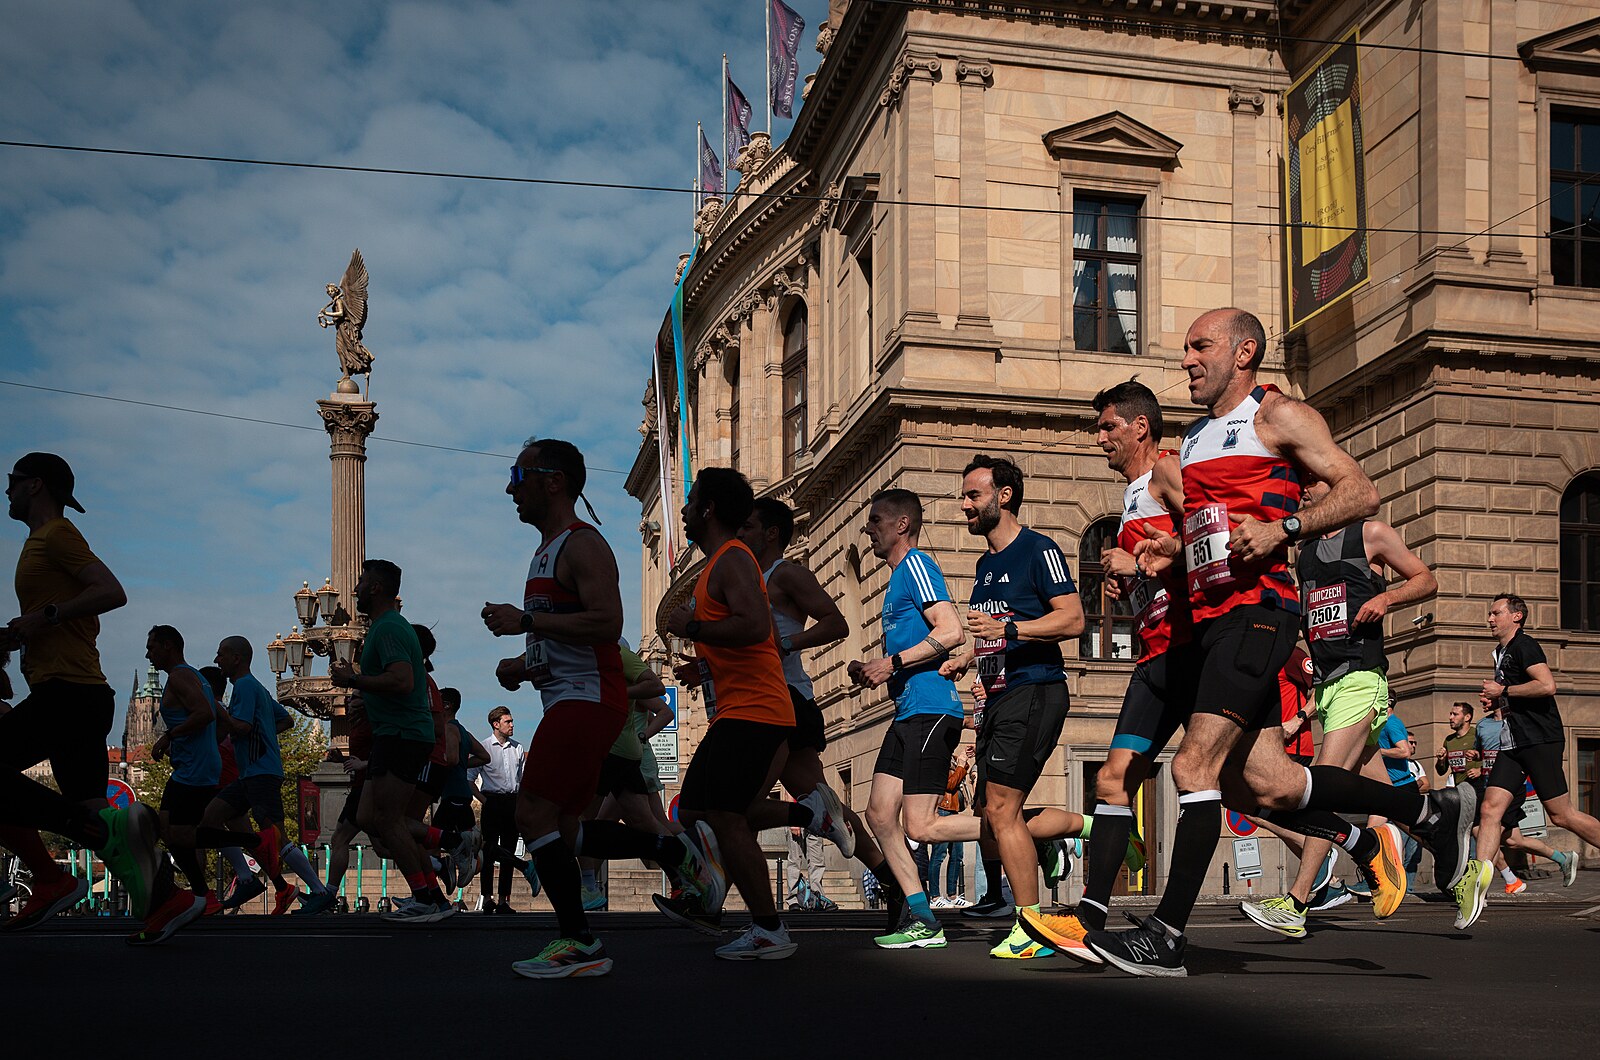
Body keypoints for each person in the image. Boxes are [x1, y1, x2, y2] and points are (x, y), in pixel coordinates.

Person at [1089, 310, 1470, 976]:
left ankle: (1167, 937)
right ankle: (1428, 813)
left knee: (1192, 769)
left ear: (1245, 352)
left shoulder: (1279, 416)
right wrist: (1170, 553)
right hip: (1211, 620)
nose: (1185, 359)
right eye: (1183, 348)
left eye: (1199, 346)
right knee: (1267, 781)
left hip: (1259, 615)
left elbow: (1360, 490)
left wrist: (1285, 527)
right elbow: (1214, 533)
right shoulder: (1198, 436)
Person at [483, 438, 714, 977]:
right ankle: (677, 854)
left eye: (519, 476)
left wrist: (528, 623)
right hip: (571, 696)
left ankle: (580, 942)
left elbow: (607, 624)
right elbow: (571, 634)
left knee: (532, 814)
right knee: (562, 827)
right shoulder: (548, 549)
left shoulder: (583, 545)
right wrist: (526, 662)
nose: (511, 489)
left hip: (588, 701)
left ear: (553, 480)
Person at [0, 452, 191, 941]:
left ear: (35, 486)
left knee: (89, 822)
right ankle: (168, 901)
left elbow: (111, 591)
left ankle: (51, 877)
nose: (6, 490)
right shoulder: (38, 542)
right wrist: (20, 632)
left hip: (65, 692)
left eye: (13, 481)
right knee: (93, 807)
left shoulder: (55, 535)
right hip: (80, 694)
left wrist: (44, 618)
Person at [1022, 380, 1179, 961]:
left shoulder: (1169, 470)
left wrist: (1138, 558)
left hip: (1191, 652)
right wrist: (1131, 577)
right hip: (1154, 654)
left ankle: (1378, 831)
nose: (1099, 438)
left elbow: (1214, 535)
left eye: (1109, 426)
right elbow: (1160, 565)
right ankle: (1089, 917)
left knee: (1257, 787)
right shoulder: (1135, 496)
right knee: (1113, 782)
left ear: (1140, 427)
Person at [936, 456, 1085, 960]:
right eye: (964, 496)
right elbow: (994, 636)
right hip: (997, 694)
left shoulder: (1037, 550)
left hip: (1036, 689)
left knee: (1001, 810)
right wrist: (965, 659)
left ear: (1004, 496)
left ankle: (1032, 925)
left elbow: (1072, 620)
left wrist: (1011, 630)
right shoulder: (984, 565)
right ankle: (1082, 828)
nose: (964, 505)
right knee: (994, 812)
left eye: (973, 495)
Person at [661, 466, 802, 959]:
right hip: (739, 712)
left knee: (722, 812)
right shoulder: (718, 564)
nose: (682, 510)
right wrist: (702, 667)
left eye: (690, 500)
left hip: (756, 711)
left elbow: (754, 625)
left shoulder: (733, 558)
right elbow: (737, 637)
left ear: (708, 509)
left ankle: (767, 926)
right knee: (694, 809)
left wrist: (696, 627)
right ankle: (718, 888)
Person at [735, 498, 884, 907]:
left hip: (785, 700)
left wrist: (785, 642)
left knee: (734, 810)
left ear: (771, 533)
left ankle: (719, 906)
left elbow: (837, 623)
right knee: (826, 806)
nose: (740, 533)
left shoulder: (788, 575)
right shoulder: (748, 577)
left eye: (748, 526)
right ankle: (895, 884)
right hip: (764, 700)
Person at [849, 487, 968, 951]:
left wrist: (891, 664)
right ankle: (922, 918)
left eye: (876, 521)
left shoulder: (916, 565)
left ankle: (1020, 831)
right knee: (879, 814)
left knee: (920, 826)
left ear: (901, 525)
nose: (869, 528)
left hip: (933, 710)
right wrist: (875, 668)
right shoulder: (896, 580)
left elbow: (951, 629)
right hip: (906, 713)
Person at [1455, 593, 1594, 928]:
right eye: (1489, 613)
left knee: (1562, 816)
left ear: (1516, 616)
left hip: (1540, 740)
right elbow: (1515, 694)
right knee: (1490, 809)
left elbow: (1547, 685)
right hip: (1512, 743)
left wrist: (1504, 691)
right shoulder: (1501, 653)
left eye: (1496, 613)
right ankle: (1478, 884)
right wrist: (1498, 703)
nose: (1490, 618)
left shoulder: (1524, 645)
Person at [332, 559, 451, 922]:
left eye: (361, 581)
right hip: (393, 734)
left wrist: (353, 681)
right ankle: (432, 891)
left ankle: (427, 896)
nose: (354, 588)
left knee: (387, 819)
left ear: (376, 588)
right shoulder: (385, 628)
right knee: (370, 817)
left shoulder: (388, 630)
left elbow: (401, 681)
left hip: (402, 734)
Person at [204, 635, 330, 915]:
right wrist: (266, 737)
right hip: (252, 773)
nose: (217, 660)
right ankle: (249, 877)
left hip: (260, 773)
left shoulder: (245, 687)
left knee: (276, 837)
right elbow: (285, 719)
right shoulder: (256, 687)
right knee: (212, 818)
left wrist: (217, 710)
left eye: (221, 654)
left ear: (236, 658)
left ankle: (319, 891)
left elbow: (241, 727)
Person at [144, 626, 221, 905]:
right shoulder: (196, 676)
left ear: (168, 646)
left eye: (152, 647)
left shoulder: (179, 677)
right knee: (174, 832)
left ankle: (201, 894)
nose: (147, 654)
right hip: (192, 766)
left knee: (176, 834)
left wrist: (169, 736)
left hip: (194, 769)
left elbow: (205, 713)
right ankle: (201, 894)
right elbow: (216, 713)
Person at [473, 705, 526, 912]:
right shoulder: (483, 747)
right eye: (508, 721)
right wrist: (485, 801)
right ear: (496, 724)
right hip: (492, 800)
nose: (512, 725)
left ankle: (504, 899)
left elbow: (523, 780)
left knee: (509, 852)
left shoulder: (518, 748)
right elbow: (470, 779)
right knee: (489, 850)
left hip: (512, 801)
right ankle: (487, 898)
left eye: (511, 721)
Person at [928, 746, 973, 907]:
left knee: (957, 854)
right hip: (943, 810)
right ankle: (934, 897)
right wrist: (961, 765)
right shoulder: (938, 759)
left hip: (953, 810)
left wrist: (963, 761)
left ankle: (952, 896)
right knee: (939, 855)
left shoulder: (951, 759)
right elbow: (949, 784)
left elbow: (958, 777)